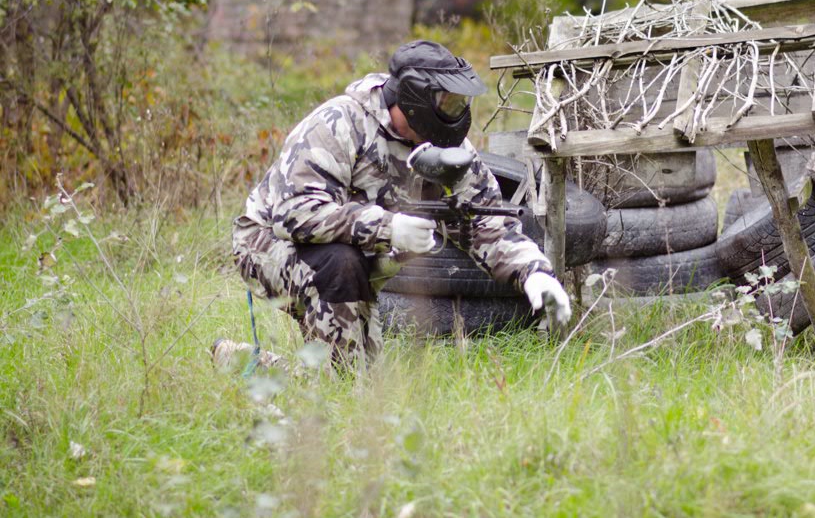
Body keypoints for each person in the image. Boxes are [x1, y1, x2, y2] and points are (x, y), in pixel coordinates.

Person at [229, 40, 570, 370]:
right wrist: (388, 228)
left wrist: (534, 273)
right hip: (268, 244)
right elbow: (294, 214)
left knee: (356, 372)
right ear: (414, 98)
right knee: (341, 277)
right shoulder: (340, 123)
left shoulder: (448, 149)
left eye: (459, 104)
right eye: (447, 102)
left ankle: (249, 363)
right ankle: (336, 387)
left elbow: (485, 223)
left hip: (354, 258)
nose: (455, 113)